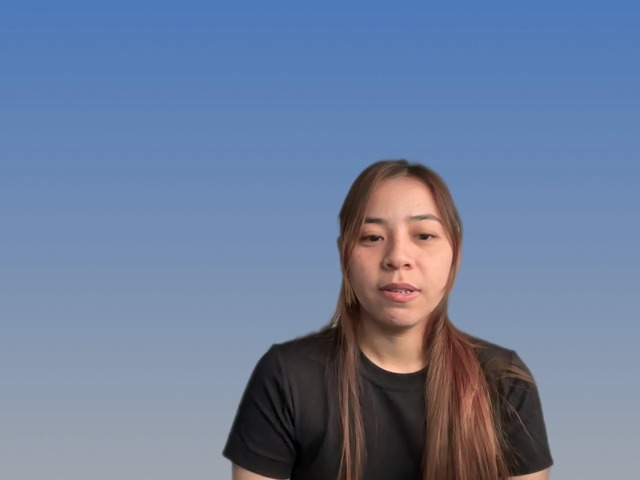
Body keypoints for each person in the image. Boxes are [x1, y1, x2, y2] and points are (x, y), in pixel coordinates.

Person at [223, 160, 553, 480]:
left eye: (424, 235)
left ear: (456, 253)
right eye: (372, 237)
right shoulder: (286, 377)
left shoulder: (505, 382)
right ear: (344, 255)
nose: (397, 257)